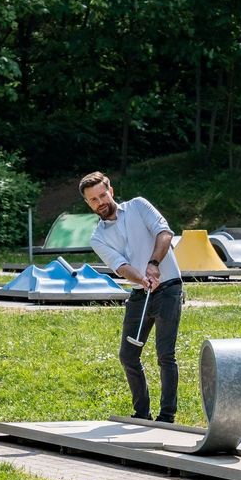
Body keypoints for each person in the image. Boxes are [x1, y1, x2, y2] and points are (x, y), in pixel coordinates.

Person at [81, 171, 182, 423]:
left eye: (102, 195)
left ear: (111, 191)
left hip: (169, 287)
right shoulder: (98, 237)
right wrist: (141, 279)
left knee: (165, 354)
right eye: (93, 199)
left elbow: (165, 233)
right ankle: (141, 414)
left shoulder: (138, 205)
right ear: (88, 203)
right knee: (128, 356)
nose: (100, 202)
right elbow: (120, 265)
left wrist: (154, 263)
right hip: (140, 294)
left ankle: (167, 416)